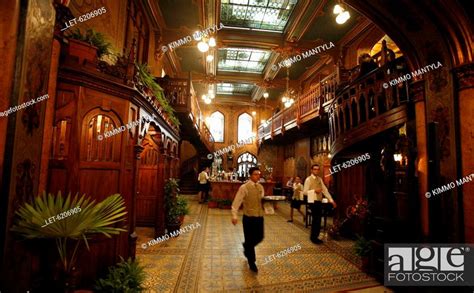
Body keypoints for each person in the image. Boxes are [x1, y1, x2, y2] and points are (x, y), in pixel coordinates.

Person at [231, 167, 264, 273]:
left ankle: (247, 246)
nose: (258, 176)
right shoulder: (244, 187)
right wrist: (234, 215)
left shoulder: (260, 187)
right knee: (250, 239)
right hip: (248, 217)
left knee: (259, 237)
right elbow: (237, 202)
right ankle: (252, 262)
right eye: (255, 174)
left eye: (259, 174)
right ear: (250, 175)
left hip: (259, 216)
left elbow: (262, 201)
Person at [303, 164, 337, 244]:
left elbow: (325, 190)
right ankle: (313, 238)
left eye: (318, 169)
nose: (316, 171)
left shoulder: (319, 179)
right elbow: (304, 192)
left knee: (318, 220)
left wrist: (331, 200)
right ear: (311, 170)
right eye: (315, 169)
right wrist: (314, 190)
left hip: (318, 201)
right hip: (312, 201)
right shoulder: (308, 179)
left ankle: (316, 237)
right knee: (316, 219)